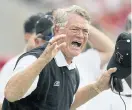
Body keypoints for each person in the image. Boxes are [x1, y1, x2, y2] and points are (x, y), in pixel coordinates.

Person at [2, 5, 116, 110]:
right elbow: (11, 94)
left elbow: (66, 104)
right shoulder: (33, 59)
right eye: (75, 29)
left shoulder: (72, 68)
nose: (81, 35)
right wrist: (41, 62)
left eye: (85, 31)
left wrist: (97, 87)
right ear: (57, 30)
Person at [0, 13, 53, 109]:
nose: (44, 40)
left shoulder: (54, 63)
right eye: (39, 34)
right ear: (28, 36)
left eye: (48, 36)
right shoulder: (12, 65)